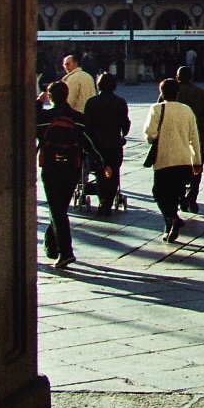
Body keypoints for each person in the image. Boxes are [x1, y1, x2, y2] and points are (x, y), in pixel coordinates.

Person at [36, 81, 101, 269]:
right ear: (67, 95)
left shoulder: (45, 117)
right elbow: (90, 142)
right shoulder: (77, 118)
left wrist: (38, 103)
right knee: (60, 208)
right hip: (72, 168)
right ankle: (52, 245)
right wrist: (101, 162)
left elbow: (29, 121)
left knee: (56, 209)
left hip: (50, 168)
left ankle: (65, 252)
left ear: (50, 97)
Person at [144, 78, 203, 242]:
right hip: (183, 159)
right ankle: (169, 226)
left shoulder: (156, 109)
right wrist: (196, 161)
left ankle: (172, 219)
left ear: (161, 93)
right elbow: (194, 137)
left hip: (164, 159)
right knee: (176, 194)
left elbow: (150, 134)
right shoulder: (187, 110)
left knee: (159, 193)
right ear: (178, 92)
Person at [81, 72, 130, 215]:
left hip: (96, 145)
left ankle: (103, 200)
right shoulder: (120, 102)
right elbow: (125, 125)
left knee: (99, 171)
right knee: (113, 172)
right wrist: (123, 132)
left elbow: (87, 125)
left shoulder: (91, 102)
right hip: (114, 144)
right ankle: (107, 201)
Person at [175, 64, 204, 214]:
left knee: (178, 167)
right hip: (197, 135)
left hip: (176, 135)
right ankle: (192, 198)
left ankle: (181, 198)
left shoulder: (172, 92)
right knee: (197, 165)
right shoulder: (201, 92)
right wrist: (198, 124)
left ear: (177, 77)